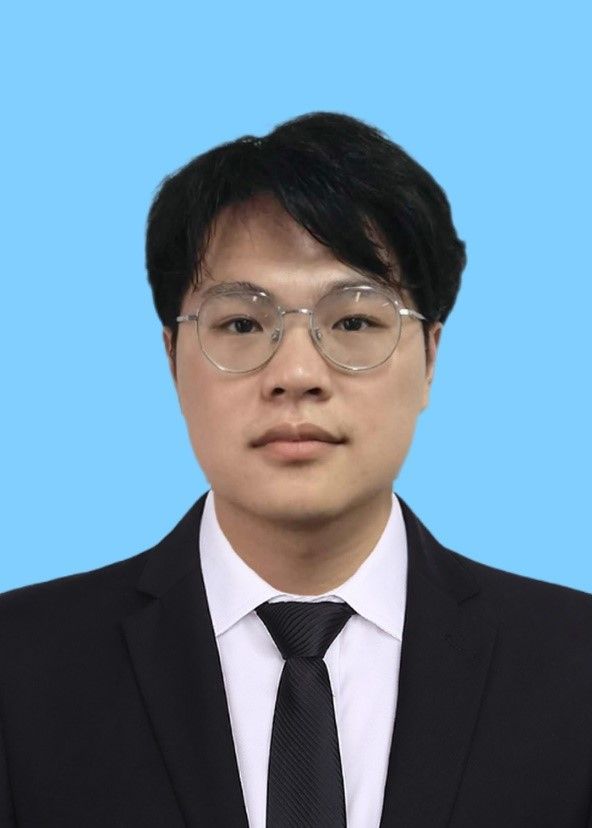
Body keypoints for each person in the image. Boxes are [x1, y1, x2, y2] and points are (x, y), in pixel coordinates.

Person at [0, 112, 591, 828]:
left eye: (354, 321)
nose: (298, 374)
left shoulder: (573, 666)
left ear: (431, 356)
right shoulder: (20, 669)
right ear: (173, 360)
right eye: (242, 324)